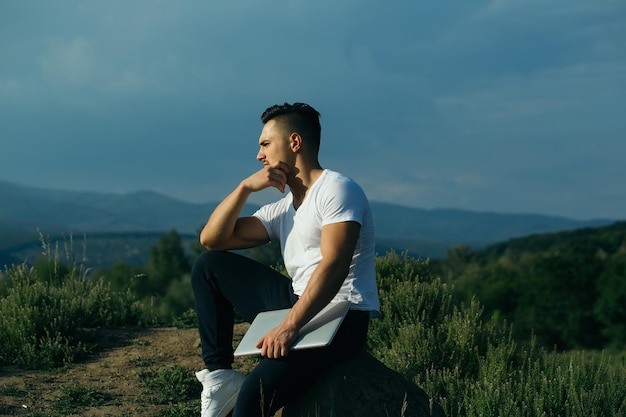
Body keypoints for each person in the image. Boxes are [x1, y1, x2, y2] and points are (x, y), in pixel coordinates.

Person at [191, 102, 380, 417]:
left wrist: (290, 326)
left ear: (295, 142)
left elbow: (334, 266)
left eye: (265, 144)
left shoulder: (337, 189)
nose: (259, 155)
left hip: (342, 315)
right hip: (300, 302)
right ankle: (220, 378)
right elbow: (213, 240)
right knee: (210, 266)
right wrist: (245, 188)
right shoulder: (284, 208)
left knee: (253, 398)